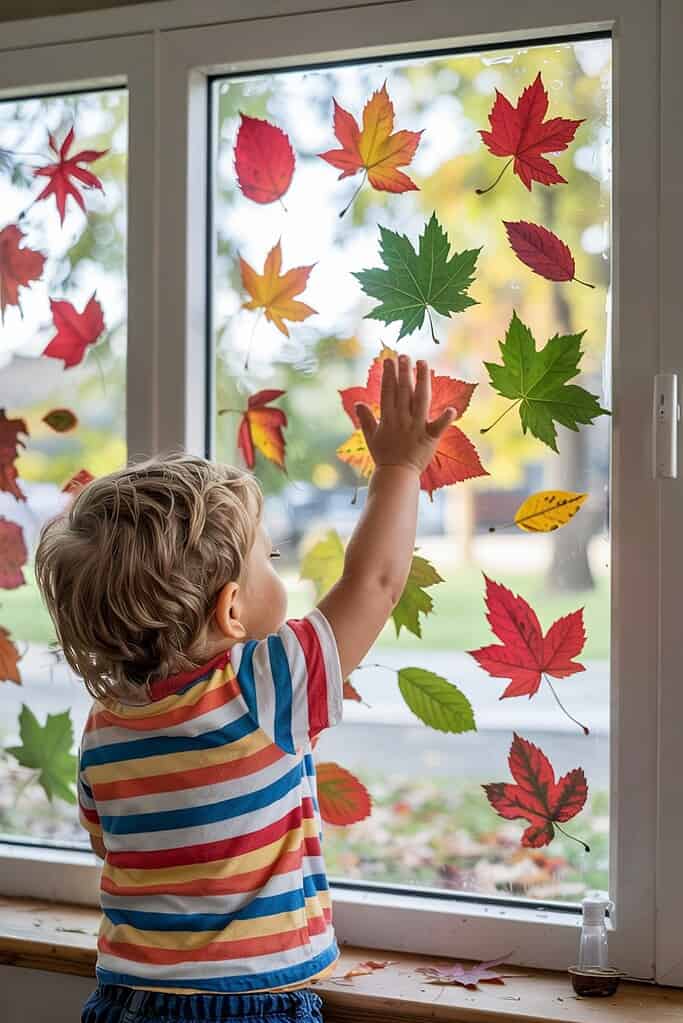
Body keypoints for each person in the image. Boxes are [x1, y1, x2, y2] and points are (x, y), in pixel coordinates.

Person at [35, 355, 454, 1023]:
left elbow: (108, 844)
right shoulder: (265, 686)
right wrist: (401, 468)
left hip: (122, 1000)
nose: (277, 567)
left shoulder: (107, 721)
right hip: (245, 1008)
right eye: (269, 558)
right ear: (232, 611)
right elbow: (374, 584)